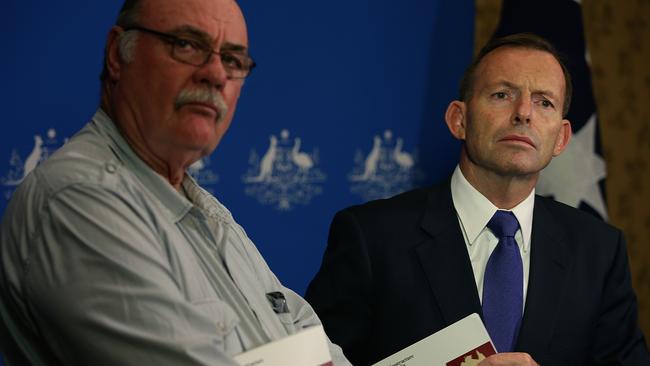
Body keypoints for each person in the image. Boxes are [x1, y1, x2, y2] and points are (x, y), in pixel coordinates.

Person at [0, 1, 351, 365]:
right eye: (186, 44)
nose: (216, 75)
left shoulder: (206, 210)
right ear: (117, 54)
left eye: (232, 59)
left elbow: (309, 338)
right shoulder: (80, 200)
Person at [305, 33, 650, 366]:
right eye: (502, 94)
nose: (524, 113)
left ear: (561, 138)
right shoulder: (372, 236)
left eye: (544, 102)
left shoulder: (599, 251)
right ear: (460, 120)